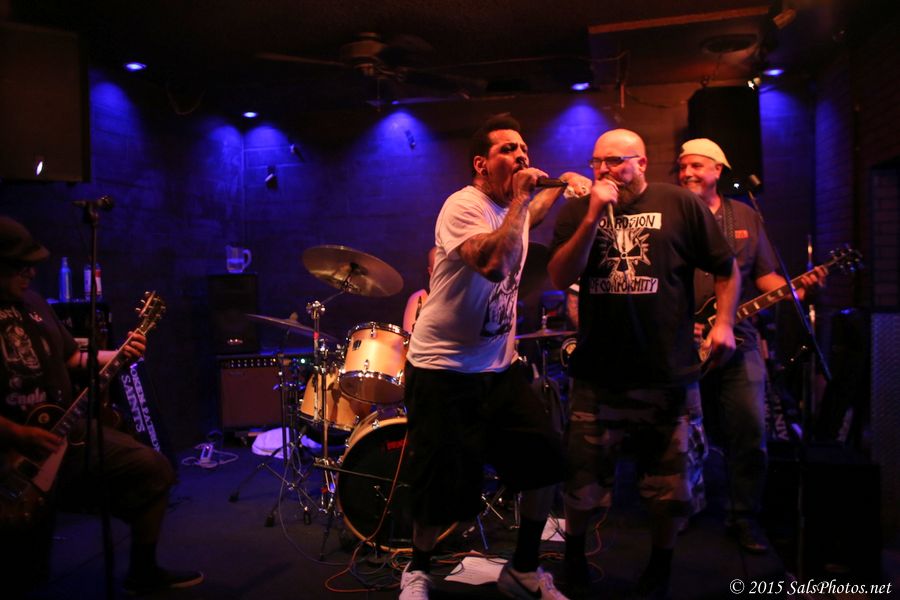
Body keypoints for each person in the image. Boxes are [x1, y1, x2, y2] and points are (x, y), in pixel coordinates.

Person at [400, 114, 590, 600]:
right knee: (439, 486)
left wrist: (559, 187)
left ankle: (523, 569)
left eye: (524, 148)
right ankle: (417, 570)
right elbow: (494, 262)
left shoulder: (513, 210)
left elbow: (531, 219)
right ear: (481, 164)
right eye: (508, 149)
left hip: (498, 370)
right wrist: (523, 199)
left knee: (546, 463)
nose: (521, 155)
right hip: (443, 370)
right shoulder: (462, 205)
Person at [547, 129, 740, 598]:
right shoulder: (577, 210)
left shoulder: (680, 204)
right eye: (597, 161)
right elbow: (559, 274)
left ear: (642, 162)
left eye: (616, 160)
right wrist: (593, 215)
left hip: (667, 372)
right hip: (599, 372)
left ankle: (660, 565)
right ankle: (574, 557)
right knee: (582, 481)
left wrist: (724, 323)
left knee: (670, 490)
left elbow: (725, 266)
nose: (605, 169)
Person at [0, 216, 203, 596]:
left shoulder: (34, 303)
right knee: (23, 560)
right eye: (19, 267)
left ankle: (143, 570)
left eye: (31, 265)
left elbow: (72, 359)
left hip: (63, 433)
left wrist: (119, 354)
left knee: (152, 468)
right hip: (11, 449)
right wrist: (17, 434)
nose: (30, 273)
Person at [678, 138, 826, 552]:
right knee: (680, 433)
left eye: (696, 166)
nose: (687, 173)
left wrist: (799, 289)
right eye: (683, 166)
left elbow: (765, 278)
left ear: (718, 170)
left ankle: (744, 515)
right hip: (681, 341)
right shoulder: (672, 213)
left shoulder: (744, 216)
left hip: (738, 338)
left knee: (750, 429)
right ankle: (679, 508)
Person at [402, 246, 437, 333]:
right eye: (438, 269)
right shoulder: (419, 299)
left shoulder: (466, 298)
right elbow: (409, 338)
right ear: (430, 272)